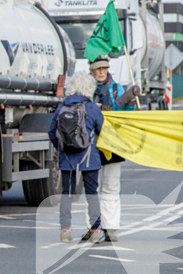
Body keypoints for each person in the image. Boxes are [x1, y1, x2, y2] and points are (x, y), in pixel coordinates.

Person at [49, 73, 104, 244]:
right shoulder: (92, 108)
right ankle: (95, 230)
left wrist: (63, 147)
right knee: (92, 193)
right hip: (89, 158)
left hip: (67, 158)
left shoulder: (62, 107)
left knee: (66, 193)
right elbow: (102, 131)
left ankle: (65, 231)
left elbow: (52, 132)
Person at [90, 55, 138, 243]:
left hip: (113, 143)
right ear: (92, 70)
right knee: (92, 188)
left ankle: (110, 228)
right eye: (98, 68)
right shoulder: (86, 89)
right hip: (91, 145)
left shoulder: (117, 89)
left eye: (104, 68)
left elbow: (126, 117)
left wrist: (130, 103)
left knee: (111, 186)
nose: (102, 71)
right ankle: (94, 228)